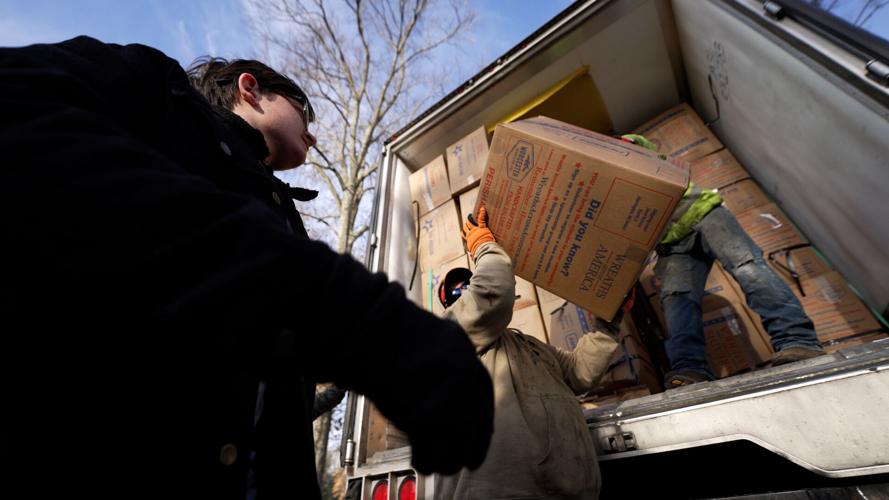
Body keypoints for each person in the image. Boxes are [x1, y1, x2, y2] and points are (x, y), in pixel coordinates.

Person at [0, 36, 494, 499]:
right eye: (303, 111)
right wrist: (361, 319)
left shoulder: (280, 211)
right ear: (250, 89)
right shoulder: (157, 92)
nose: (313, 133)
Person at [433, 207, 619, 499]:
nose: (465, 292)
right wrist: (484, 245)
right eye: (457, 292)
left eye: (469, 284)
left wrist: (609, 321)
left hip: (571, 491)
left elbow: (578, 373)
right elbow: (493, 292)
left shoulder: (527, 345)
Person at [620, 135, 825, 388]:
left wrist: (617, 147)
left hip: (701, 211)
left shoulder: (624, 147)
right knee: (676, 300)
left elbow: (643, 147)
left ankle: (798, 340)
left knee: (747, 268)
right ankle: (690, 368)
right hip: (671, 242)